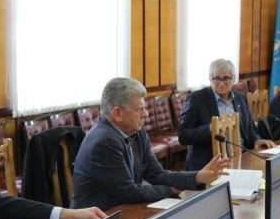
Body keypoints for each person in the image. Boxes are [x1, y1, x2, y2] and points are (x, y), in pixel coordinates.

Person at [70, 77, 231, 211]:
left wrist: (197, 177)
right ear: (117, 113)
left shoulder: (136, 130)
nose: (146, 114)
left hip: (123, 210)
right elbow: (129, 193)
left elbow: (156, 174)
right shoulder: (104, 142)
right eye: (139, 109)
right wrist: (171, 189)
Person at [179, 58, 275, 171]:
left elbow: (250, 128)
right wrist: (210, 129)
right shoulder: (197, 99)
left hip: (241, 157)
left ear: (233, 79)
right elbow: (183, 136)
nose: (221, 83)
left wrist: (256, 140)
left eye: (226, 78)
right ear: (210, 78)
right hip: (210, 164)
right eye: (216, 78)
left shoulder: (240, 97)